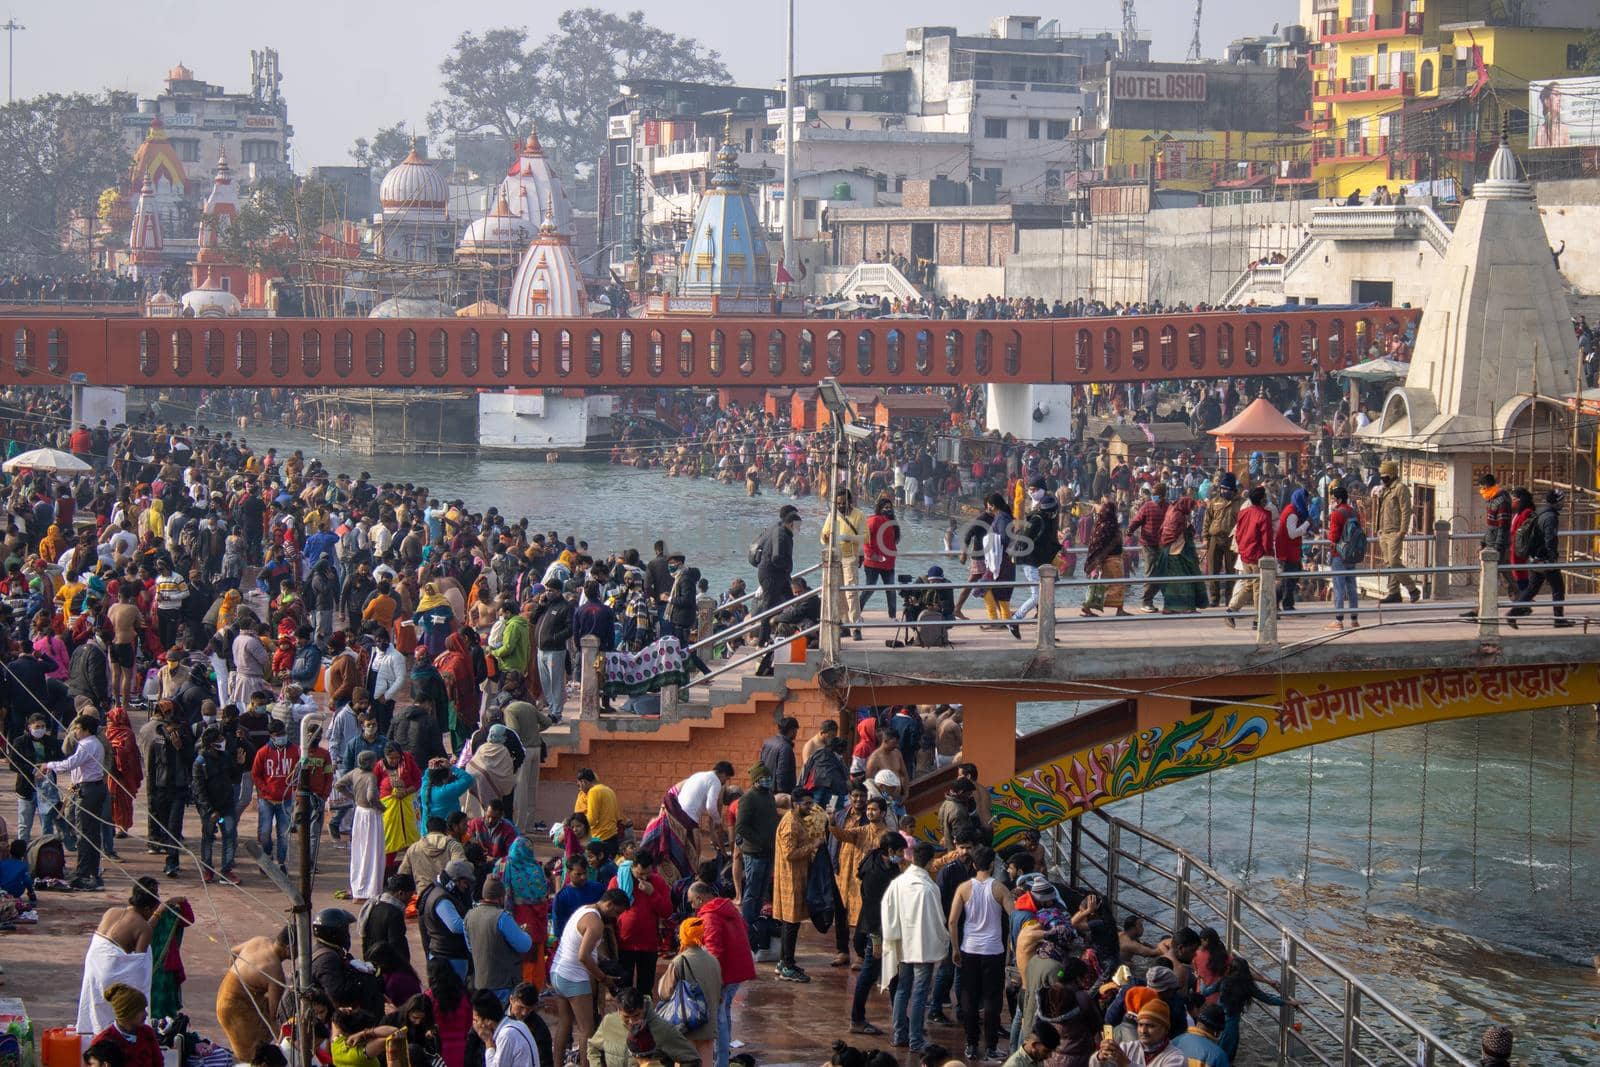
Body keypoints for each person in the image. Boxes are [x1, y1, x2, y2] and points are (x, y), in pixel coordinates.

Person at [880, 840, 950, 1053]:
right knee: (919, 992)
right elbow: (938, 921)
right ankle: (915, 1039)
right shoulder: (928, 888)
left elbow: (887, 910)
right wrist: (945, 941)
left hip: (902, 944)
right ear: (930, 862)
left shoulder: (898, 883)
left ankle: (900, 1034)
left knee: (902, 989)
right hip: (922, 947)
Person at [549, 888, 631, 1065]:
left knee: (565, 1023)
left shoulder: (584, 909)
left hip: (558, 972)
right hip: (573, 977)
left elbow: (586, 951)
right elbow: (583, 956)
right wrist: (604, 978)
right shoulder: (596, 923)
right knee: (587, 1030)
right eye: (617, 912)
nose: (616, 917)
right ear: (608, 904)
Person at [947, 845, 1013, 1060]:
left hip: (969, 948)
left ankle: (971, 1043)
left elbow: (953, 921)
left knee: (968, 996)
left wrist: (956, 948)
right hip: (994, 950)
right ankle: (992, 1046)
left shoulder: (964, 888)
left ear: (974, 865)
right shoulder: (1000, 889)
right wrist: (1013, 947)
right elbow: (1014, 917)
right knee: (993, 999)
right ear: (993, 864)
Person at [77, 877, 162, 1035]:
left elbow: (130, 929)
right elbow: (138, 963)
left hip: (93, 965)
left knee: (98, 1006)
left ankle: (94, 1032)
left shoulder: (111, 911)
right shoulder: (144, 928)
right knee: (130, 999)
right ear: (147, 909)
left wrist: (158, 914)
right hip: (111, 969)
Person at [688, 880, 755, 1067]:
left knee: (718, 1017)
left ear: (700, 898)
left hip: (725, 972)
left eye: (692, 902)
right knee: (724, 1013)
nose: (692, 906)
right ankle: (722, 1056)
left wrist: (713, 981)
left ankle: (721, 1061)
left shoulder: (709, 916)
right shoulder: (727, 907)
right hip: (737, 968)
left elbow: (714, 951)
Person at [42, 713, 110, 889]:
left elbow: (70, 764)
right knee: (90, 833)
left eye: (78, 728)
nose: (75, 731)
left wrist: (48, 765)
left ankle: (85, 873)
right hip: (88, 788)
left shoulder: (88, 745)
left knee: (86, 833)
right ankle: (88, 871)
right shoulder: (92, 743)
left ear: (86, 730)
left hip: (89, 790)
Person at [772, 787, 829, 982]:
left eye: (811, 803)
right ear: (795, 804)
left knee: (791, 924)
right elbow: (790, 853)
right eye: (806, 804)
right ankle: (787, 964)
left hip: (797, 877)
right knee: (791, 923)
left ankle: (784, 962)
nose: (810, 807)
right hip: (791, 880)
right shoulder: (791, 824)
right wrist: (813, 846)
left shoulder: (796, 820)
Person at [215, 929, 291, 1060]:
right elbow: (274, 1015)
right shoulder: (276, 973)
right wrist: (281, 1044)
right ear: (289, 949)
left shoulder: (260, 940)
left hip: (223, 993)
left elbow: (233, 952)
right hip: (235, 1008)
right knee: (253, 1052)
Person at [657, 916, 723, 1063]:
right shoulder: (713, 960)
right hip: (708, 1022)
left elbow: (664, 993)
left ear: (683, 935)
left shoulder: (680, 961)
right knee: (706, 1061)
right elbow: (719, 991)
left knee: (685, 1062)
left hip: (686, 1024)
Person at [586, 984, 700, 1067]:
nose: (631, 1021)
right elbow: (593, 1048)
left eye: (636, 1015)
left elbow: (692, 1059)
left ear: (644, 1008)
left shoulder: (662, 1030)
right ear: (618, 1010)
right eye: (626, 1017)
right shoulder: (608, 1022)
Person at [609, 847, 673, 994]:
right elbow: (609, 909)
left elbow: (667, 911)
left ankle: (645, 1015)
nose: (643, 877)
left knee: (645, 988)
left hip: (648, 944)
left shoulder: (657, 882)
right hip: (624, 943)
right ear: (632, 866)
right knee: (623, 987)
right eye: (639, 873)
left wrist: (652, 893)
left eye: (647, 874)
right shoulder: (618, 880)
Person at [465, 876, 534, 1005]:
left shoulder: (469, 915)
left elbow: (470, 946)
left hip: (481, 983)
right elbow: (524, 946)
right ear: (501, 897)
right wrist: (525, 933)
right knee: (503, 1021)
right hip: (504, 984)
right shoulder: (502, 917)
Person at [1509, 488, 1571, 626]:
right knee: (1558, 588)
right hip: (1545, 558)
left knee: (1532, 588)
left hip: (1536, 556)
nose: (1564, 503)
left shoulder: (1541, 512)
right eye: (1562, 501)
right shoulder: (1550, 517)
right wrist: (1552, 556)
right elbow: (1550, 538)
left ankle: (1512, 614)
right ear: (1557, 502)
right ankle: (1559, 620)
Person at [251, 718, 297, 869]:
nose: (281, 737)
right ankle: (267, 854)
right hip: (267, 800)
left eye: (283, 733)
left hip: (286, 800)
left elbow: (299, 773)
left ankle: (282, 863)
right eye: (278, 734)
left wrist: (293, 789)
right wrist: (265, 789)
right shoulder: (262, 752)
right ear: (271, 736)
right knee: (265, 832)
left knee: (283, 835)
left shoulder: (294, 751)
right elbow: (256, 774)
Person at [418, 860, 477, 980]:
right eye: (464, 882)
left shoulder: (442, 891)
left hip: (450, 955)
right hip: (448, 956)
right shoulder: (442, 898)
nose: (466, 887)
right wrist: (478, 921)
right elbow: (456, 926)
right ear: (455, 881)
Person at [339, 750, 385, 902]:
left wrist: (353, 798)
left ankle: (358, 888)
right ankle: (370, 890)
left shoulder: (355, 772)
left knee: (359, 851)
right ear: (371, 762)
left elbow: (339, 784)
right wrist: (381, 807)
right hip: (371, 815)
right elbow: (371, 796)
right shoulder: (370, 776)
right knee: (372, 852)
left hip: (359, 812)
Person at [1224, 487, 1272, 628]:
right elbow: (1267, 540)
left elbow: (1238, 534)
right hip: (1258, 556)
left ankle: (1231, 611)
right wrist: (1270, 556)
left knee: (1249, 585)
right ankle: (1258, 620)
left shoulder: (1243, 513)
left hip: (1245, 555)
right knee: (1257, 587)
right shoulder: (1264, 515)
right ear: (1262, 499)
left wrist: (1243, 550)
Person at [821, 488, 866, 634]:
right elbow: (823, 536)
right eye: (838, 503)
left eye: (843, 503)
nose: (840, 506)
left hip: (850, 556)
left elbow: (865, 537)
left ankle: (855, 626)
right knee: (838, 592)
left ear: (850, 502)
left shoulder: (859, 515)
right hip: (835, 557)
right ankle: (844, 623)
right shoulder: (832, 515)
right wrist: (826, 537)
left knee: (851, 592)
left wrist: (849, 539)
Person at [1374, 459, 1419, 604]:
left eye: (1385, 475)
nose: (1383, 478)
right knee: (1389, 564)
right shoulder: (1385, 489)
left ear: (1392, 475)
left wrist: (1403, 531)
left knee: (1394, 562)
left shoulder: (1400, 488)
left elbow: (1406, 511)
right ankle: (1394, 592)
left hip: (1395, 531)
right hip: (1384, 531)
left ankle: (1412, 588)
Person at [1091, 999, 1185, 1066]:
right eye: (1140, 1025)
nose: (1143, 1031)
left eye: (1151, 1026)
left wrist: (1127, 1064)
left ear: (1165, 1029)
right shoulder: (1127, 1048)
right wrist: (1100, 1058)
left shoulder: (1176, 1057)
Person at [89, 983, 162, 1067]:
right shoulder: (102, 1041)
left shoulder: (147, 1032)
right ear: (128, 1013)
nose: (146, 1014)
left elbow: (158, 1063)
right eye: (141, 1010)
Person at [1080, 495, 1126, 618]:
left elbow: (1095, 545)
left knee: (1102, 586)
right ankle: (1119, 610)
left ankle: (1088, 607)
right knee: (1118, 585)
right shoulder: (1110, 525)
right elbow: (1103, 544)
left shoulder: (1099, 524)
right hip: (1111, 559)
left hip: (1103, 559)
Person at [1201, 472, 1241, 608]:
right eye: (1222, 488)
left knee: (1231, 571)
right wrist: (1205, 538)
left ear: (1232, 489)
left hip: (1232, 540)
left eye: (1226, 489)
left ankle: (1230, 599)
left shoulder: (1240, 503)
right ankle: (1214, 598)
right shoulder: (1214, 501)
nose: (1223, 491)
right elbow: (1207, 521)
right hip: (1215, 538)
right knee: (1213, 570)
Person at [1325, 486, 1361, 630]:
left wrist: (1329, 537)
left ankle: (1338, 621)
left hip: (1339, 554)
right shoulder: (1353, 512)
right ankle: (1354, 620)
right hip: (1352, 554)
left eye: (1333, 499)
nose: (1333, 501)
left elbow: (1333, 536)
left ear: (1339, 499)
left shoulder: (1336, 514)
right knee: (1352, 587)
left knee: (1339, 588)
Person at [472, 990, 539, 1067]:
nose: (473, 1024)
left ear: (488, 1021)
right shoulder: (519, 1024)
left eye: (475, 1020)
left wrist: (488, 1042)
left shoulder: (506, 1035)